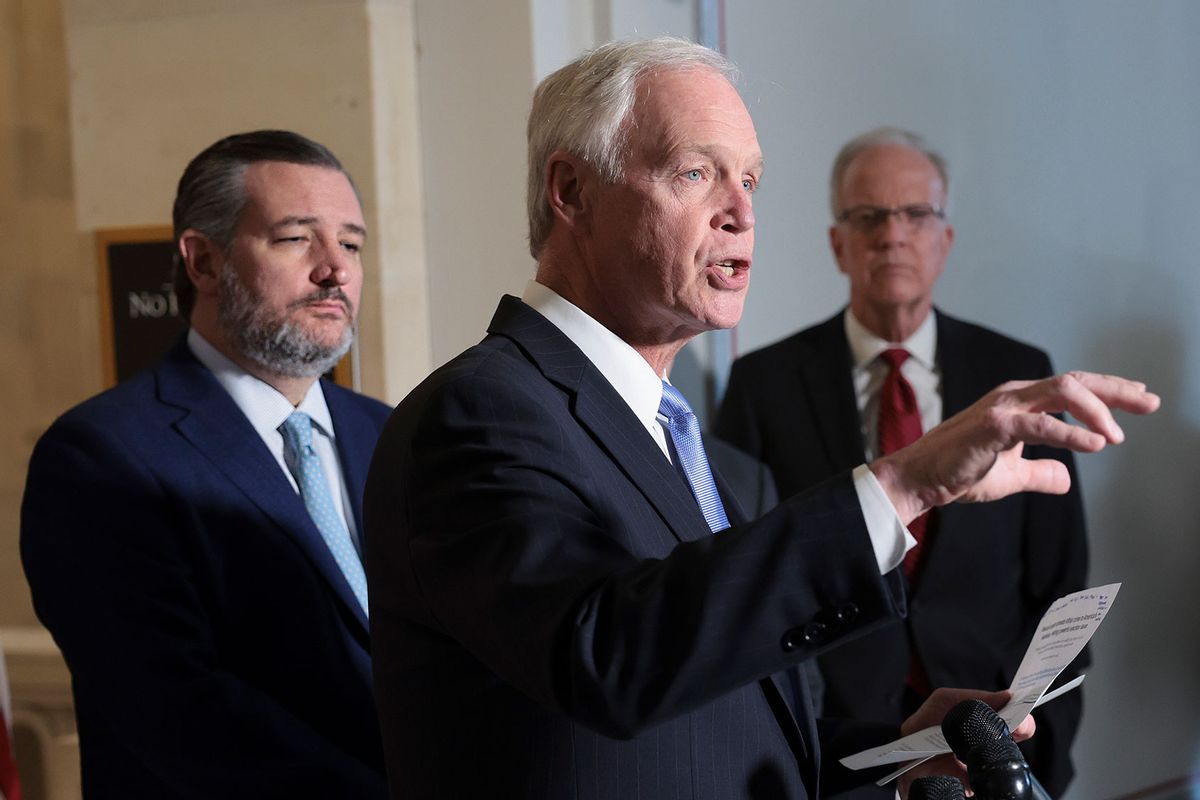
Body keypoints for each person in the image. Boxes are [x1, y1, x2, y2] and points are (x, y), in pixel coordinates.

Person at [363, 38, 1156, 800]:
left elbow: (717, 706)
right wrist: (900, 483)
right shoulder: (481, 413)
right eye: (696, 172)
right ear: (570, 192)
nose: (741, 212)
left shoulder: (670, 429)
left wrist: (897, 752)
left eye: (752, 180)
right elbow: (608, 659)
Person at [715, 127, 1087, 796]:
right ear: (839, 243)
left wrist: (1047, 759)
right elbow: (745, 579)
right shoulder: (761, 385)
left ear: (945, 239)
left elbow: (1059, 587)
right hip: (834, 749)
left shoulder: (1018, 376)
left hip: (996, 744)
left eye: (916, 214)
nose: (893, 235)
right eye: (869, 216)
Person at [21, 130, 390, 798]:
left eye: (352, 244)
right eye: (295, 238)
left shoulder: (388, 432)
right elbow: (176, 708)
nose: (335, 269)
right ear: (204, 262)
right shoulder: (101, 454)